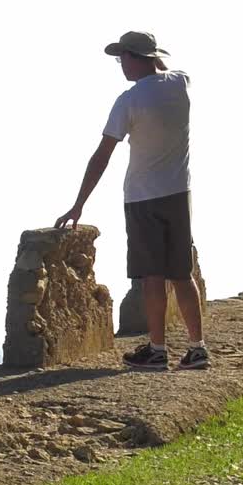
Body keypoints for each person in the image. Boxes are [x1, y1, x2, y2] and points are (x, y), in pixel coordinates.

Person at [55, 31, 208, 371]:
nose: (120, 64)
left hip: (143, 198)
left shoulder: (128, 101)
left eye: (123, 57)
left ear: (137, 58)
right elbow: (169, 70)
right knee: (182, 274)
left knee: (152, 276)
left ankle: (157, 350)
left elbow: (101, 156)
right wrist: (155, 60)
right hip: (180, 193)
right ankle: (197, 348)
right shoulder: (180, 84)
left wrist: (79, 203)